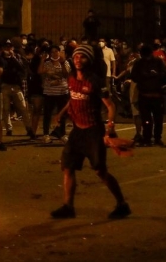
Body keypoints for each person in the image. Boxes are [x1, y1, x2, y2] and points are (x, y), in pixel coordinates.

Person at [50, 44, 130, 219]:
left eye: (83, 57)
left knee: (100, 171)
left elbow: (110, 105)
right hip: (77, 131)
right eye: (77, 56)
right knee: (67, 167)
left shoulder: (95, 81)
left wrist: (110, 127)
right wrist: (62, 113)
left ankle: (122, 204)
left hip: (93, 131)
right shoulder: (71, 78)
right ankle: (68, 206)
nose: (78, 59)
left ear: (89, 60)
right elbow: (72, 98)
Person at [130, 44, 166, 147]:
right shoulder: (139, 63)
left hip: (155, 94)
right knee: (148, 119)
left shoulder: (158, 62)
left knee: (156, 118)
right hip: (146, 94)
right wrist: (146, 76)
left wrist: (154, 75)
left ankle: (155, 138)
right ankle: (149, 138)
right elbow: (133, 76)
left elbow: (165, 76)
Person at [0, 40, 32, 138]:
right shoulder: (0, 58)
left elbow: (22, 68)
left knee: (23, 108)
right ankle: (9, 128)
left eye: (10, 47)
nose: (8, 50)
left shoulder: (17, 57)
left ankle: (29, 128)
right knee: (5, 109)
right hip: (4, 86)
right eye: (6, 48)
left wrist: (13, 57)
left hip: (16, 86)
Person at [39, 45, 70, 143]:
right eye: (52, 52)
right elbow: (39, 71)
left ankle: (62, 133)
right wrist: (42, 60)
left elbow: (67, 74)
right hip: (49, 92)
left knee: (62, 114)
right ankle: (46, 134)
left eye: (56, 51)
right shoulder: (47, 63)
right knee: (47, 113)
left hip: (62, 92)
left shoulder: (65, 62)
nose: (55, 53)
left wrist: (63, 62)